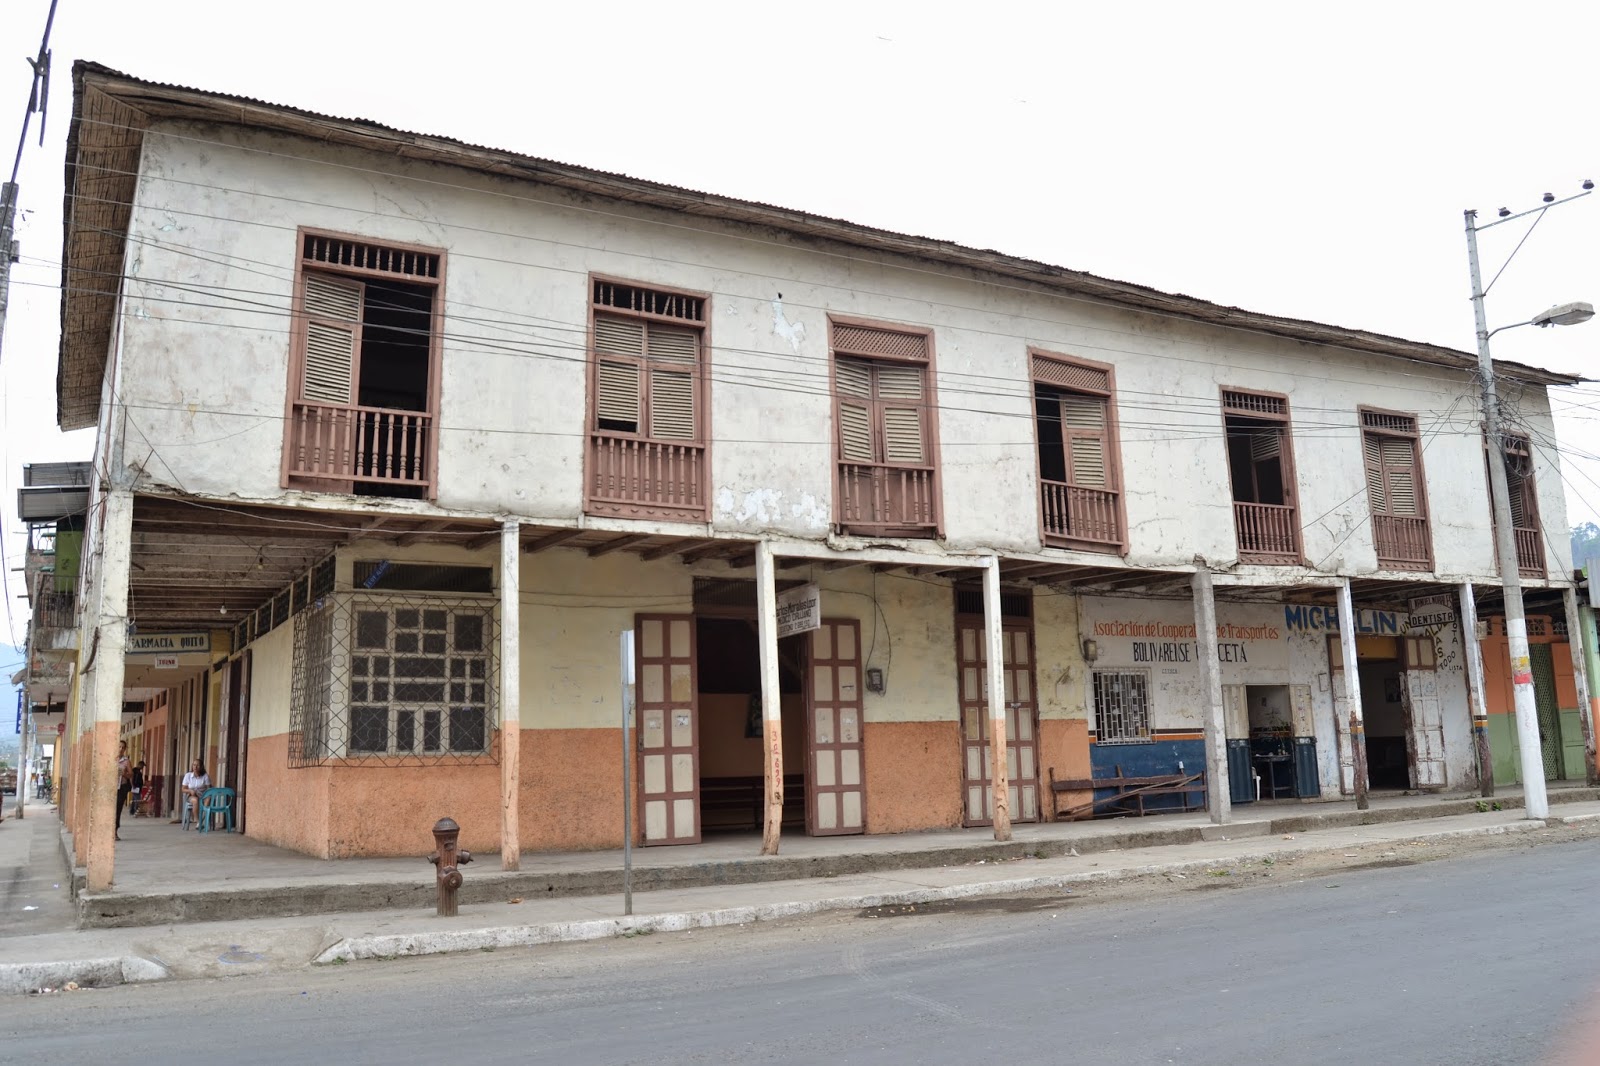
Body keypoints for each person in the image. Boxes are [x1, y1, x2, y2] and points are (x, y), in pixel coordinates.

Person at [181, 759, 211, 830]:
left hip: (203, 795)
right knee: (195, 800)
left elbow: (209, 789)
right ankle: (197, 821)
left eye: (197, 765)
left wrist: (206, 795)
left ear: (201, 767)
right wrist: (190, 790)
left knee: (208, 799)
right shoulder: (188, 775)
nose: (195, 767)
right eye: (194, 765)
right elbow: (183, 789)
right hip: (191, 796)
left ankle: (202, 819)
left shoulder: (205, 776)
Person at [115, 741, 132, 841]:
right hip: (110, 788)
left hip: (121, 787)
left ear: (125, 749)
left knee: (117, 810)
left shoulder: (126, 761)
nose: (120, 749)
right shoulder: (110, 758)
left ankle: (115, 831)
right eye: (119, 746)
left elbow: (131, 774)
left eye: (123, 747)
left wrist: (123, 774)